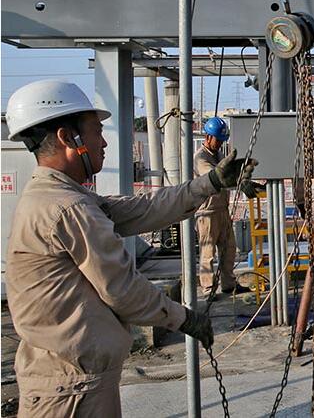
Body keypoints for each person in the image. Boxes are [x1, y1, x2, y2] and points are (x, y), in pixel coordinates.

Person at [4, 80, 257, 417]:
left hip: (71, 382)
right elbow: (121, 288)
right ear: (68, 138)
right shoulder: (67, 208)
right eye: (96, 131)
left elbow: (141, 209)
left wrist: (209, 183)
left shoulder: (66, 198)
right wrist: (184, 318)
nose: (104, 142)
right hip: (71, 391)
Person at [194, 117, 251, 297]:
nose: (219, 143)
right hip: (207, 212)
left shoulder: (218, 155)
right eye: (217, 140)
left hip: (222, 209)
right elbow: (215, 177)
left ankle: (228, 283)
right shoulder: (200, 158)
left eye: (222, 140)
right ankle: (208, 288)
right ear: (208, 137)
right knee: (208, 252)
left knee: (229, 248)